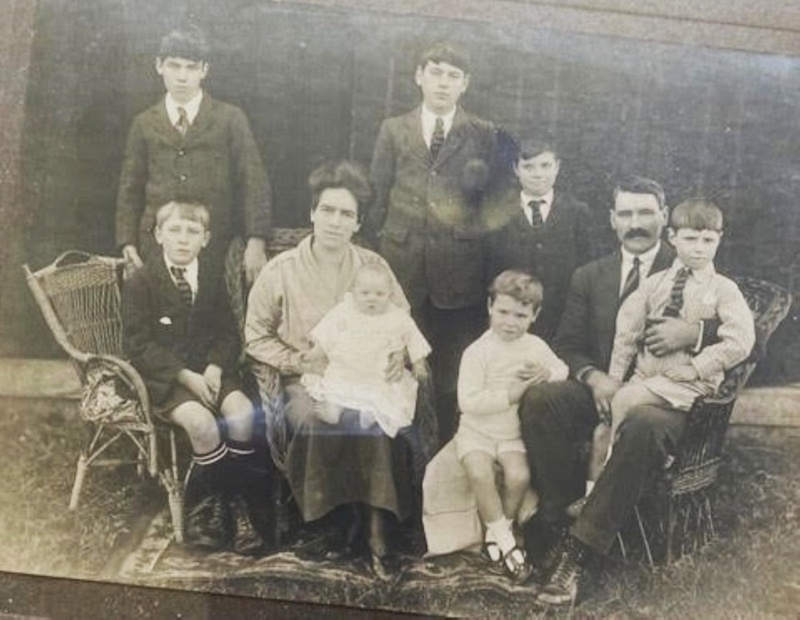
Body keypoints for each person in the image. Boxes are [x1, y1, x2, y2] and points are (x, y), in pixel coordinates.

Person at [518, 175, 721, 606]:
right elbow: (568, 344)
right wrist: (594, 378)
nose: (636, 223)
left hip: (667, 396)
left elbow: (747, 335)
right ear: (612, 220)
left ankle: (577, 551)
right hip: (608, 389)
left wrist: (696, 332)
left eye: (646, 212)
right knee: (541, 401)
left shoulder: (691, 260)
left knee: (644, 425)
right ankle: (559, 517)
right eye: (625, 213)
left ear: (664, 218)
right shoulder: (590, 276)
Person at [245, 161, 413, 580]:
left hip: (367, 376)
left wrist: (399, 355)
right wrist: (294, 361)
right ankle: (328, 523)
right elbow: (255, 336)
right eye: (328, 211)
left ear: (357, 224)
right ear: (312, 214)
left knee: (373, 419)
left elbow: (403, 321)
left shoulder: (373, 266)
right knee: (316, 417)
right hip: (309, 377)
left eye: (347, 214)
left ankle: (377, 527)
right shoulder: (280, 270)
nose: (336, 222)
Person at [122, 200, 275, 555]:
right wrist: (185, 376)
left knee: (241, 413)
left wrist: (216, 367)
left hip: (209, 371)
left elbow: (226, 331)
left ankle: (237, 505)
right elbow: (138, 345)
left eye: (192, 232)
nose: (182, 240)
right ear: (159, 235)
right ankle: (211, 505)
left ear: (205, 239)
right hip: (165, 379)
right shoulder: (140, 281)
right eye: (174, 230)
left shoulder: (209, 276)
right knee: (203, 424)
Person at [367, 41, 499, 444]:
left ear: (466, 84)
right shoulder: (393, 129)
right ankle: (398, 469)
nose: (444, 83)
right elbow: (377, 194)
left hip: (458, 278)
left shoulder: (483, 134)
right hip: (402, 268)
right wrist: (376, 262)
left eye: (453, 76)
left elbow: (488, 205)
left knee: (448, 377)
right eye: (436, 72)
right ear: (419, 76)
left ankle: (441, 463)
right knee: (394, 366)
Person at [582, 199, 755, 491]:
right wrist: (614, 377)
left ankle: (608, 487)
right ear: (672, 238)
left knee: (623, 402)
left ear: (719, 239)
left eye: (708, 240)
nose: (699, 248)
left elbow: (741, 340)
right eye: (690, 239)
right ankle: (590, 498)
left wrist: (697, 367)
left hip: (690, 386)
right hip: (648, 379)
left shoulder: (724, 289)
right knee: (603, 429)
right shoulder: (654, 284)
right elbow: (627, 333)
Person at [116, 25, 271, 285]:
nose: (182, 77)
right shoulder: (144, 123)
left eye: (191, 67)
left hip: (215, 245)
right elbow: (129, 188)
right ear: (159, 66)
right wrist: (127, 242)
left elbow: (253, 180)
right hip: (156, 244)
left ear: (204, 70)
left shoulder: (230, 119)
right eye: (174, 66)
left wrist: (256, 241)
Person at [453, 270, 568, 583]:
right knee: (479, 472)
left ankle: (497, 529)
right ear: (490, 306)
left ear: (535, 315)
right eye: (503, 312)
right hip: (477, 431)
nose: (510, 322)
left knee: (519, 476)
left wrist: (547, 372)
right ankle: (506, 540)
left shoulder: (535, 346)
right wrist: (509, 395)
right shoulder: (477, 352)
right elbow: (468, 401)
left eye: (521, 315)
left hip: (512, 434)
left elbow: (563, 369)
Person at [301, 262, 431, 437]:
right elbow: (327, 334)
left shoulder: (397, 317)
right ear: (354, 292)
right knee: (336, 386)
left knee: (384, 394)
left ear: (390, 295)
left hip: (377, 374)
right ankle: (334, 409)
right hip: (346, 370)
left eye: (379, 294)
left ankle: (372, 413)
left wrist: (419, 363)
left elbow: (413, 338)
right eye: (365, 293)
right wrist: (314, 354)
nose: (372, 298)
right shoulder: (344, 311)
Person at [485, 138, 594, 341]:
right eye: (528, 166)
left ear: (557, 167)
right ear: (516, 169)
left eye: (545, 166)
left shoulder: (577, 212)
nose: (538, 174)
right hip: (512, 320)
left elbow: (585, 267)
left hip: (560, 318)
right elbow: (488, 269)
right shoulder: (498, 212)